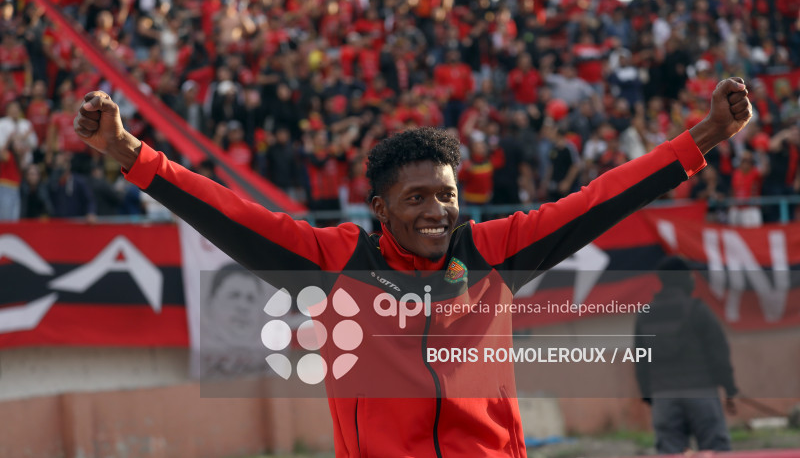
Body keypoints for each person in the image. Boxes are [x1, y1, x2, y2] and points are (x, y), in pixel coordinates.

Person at [74, 78, 751, 457]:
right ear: (380, 207)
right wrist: (132, 153)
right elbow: (231, 215)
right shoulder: (338, 262)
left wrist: (704, 139)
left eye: (447, 196)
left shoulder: (496, 250)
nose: (437, 210)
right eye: (417, 198)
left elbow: (599, 198)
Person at [635, 256, 738, 454]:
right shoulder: (698, 311)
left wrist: (649, 395)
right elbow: (719, 352)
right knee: (715, 451)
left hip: (663, 397)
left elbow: (641, 360)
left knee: (671, 452)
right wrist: (729, 388)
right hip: (701, 393)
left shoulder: (645, 316)